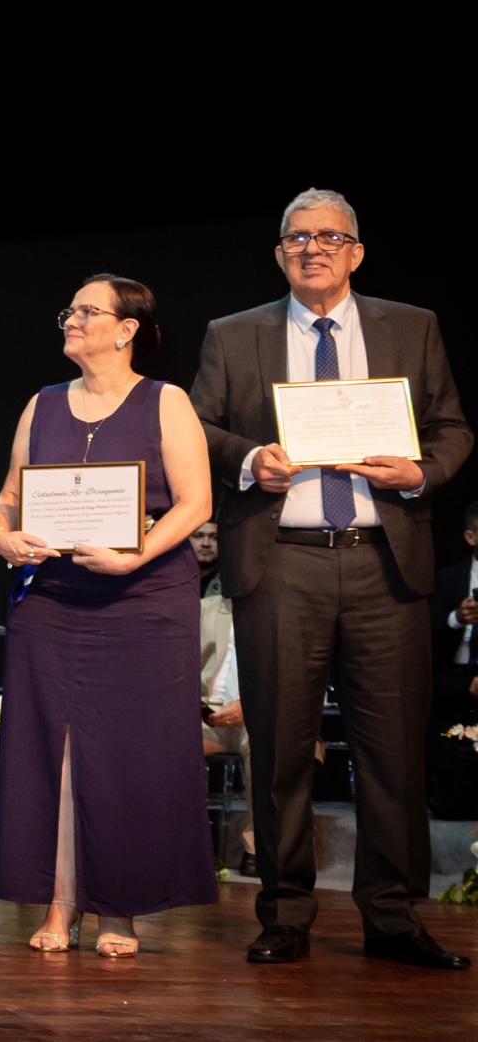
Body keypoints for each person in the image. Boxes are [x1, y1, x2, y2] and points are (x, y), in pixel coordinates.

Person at [189, 188, 471, 970]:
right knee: (280, 747)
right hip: (283, 559)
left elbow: (452, 427)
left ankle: (392, 914)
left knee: (391, 750)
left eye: (328, 236)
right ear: (281, 253)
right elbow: (197, 424)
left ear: (355, 251)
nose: (312, 248)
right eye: (296, 238)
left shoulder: (410, 327)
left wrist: (420, 471)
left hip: (385, 561)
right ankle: (284, 910)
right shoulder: (233, 334)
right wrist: (249, 459)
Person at [0, 274, 215, 957]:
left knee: (133, 752)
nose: (71, 321)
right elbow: (7, 498)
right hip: (52, 599)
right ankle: (61, 901)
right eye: (69, 311)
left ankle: (121, 907)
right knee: (50, 747)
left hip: (142, 601)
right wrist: (2, 536)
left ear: (127, 329)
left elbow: (196, 502)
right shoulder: (43, 403)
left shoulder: (165, 401)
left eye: (88, 311)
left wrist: (131, 554)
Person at [194, 520, 255, 870]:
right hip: (210, 719)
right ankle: (177, 847)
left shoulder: (282, 613)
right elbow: (182, 670)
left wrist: (251, 707)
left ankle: (257, 850)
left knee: (266, 744)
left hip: (258, 717)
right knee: (161, 741)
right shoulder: (207, 607)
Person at [427, 501, 478, 818]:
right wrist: (457, 618)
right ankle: (451, 793)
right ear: (471, 537)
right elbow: (426, 629)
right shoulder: (449, 577)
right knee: (423, 696)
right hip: (456, 672)